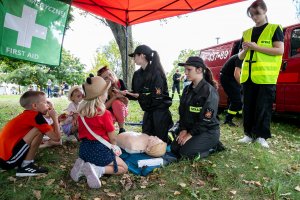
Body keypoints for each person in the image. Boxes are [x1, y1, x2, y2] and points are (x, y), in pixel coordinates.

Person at [238, 0, 284, 148]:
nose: (254, 17)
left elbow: (279, 50)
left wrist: (256, 47)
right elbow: (240, 57)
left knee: (263, 107)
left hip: (265, 76)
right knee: (248, 106)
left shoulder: (274, 28)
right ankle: (248, 134)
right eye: (251, 15)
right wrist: (245, 49)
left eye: (257, 13)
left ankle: (262, 136)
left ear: (265, 11)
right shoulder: (246, 33)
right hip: (248, 76)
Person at [70, 75, 127, 189]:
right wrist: (114, 147)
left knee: (91, 158)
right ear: (102, 95)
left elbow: (81, 133)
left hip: (84, 150)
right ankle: (98, 170)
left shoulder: (81, 113)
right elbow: (113, 138)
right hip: (99, 151)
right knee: (123, 168)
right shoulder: (105, 114)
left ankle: (82, 166)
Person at [171, 56, 222, 159]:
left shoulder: (209, 91)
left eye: (189, 69)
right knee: (174, 148)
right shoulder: (186, 90)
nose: (185, 72)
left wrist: (190, 134)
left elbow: (206, 120)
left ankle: (214, 147)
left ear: (199, 70)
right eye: (185, 69)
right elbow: (183, 114)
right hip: (192, 128)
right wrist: (183, 130)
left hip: (207, 131)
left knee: (185, 153)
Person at [0, 91, 61, 176]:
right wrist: (55, 118)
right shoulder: (36, 117)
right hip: (8, 161)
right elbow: (56, 138)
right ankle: (26, 166)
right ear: (35, 106)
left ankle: (25, 162)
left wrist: (56, 121)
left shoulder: (29, 115)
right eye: (45, 102)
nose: (48, 105)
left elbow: (49, 131)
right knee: (38, 130)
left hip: (3, 157)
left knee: (39, 129)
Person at [127, 44, 173, 143]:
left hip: (160, 111)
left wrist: (140, 96)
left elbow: (158, 97)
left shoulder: (157, 73)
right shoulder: (137, 74)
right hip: (148, 111)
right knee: (146, 140)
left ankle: (168, 140)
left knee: (158, 142)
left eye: (135, 56)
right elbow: (135, 94)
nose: (133, 58)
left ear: (142, 56)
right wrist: (124, 93)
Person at [97, 66, 129, 134]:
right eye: (106, 78)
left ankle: (121, 129)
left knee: (116, 103)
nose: (110, 78)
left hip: (121, 111)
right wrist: (114, 97)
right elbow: (103, 107)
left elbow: (126, 102)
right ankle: (109, 133)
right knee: (107, 115)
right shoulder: (101, 90)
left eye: (110, 75)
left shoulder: (119, 82)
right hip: (108, 113)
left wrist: (119, 95)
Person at [220, 44, 243, 126]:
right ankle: (228, 120)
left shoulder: (241, 56)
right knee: (236, 100)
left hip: (230, 78)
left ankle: (240, 114)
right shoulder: (240, 57)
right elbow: (237, 74)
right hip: (227, 78)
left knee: (239, 97)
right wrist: (243, 85)